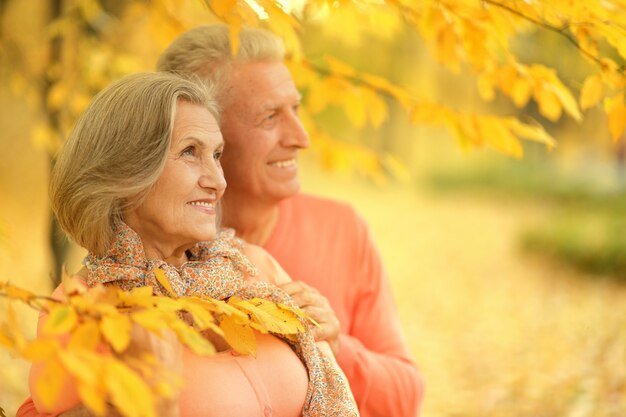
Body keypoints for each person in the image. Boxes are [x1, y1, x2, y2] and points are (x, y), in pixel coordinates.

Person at [17, 72, 358, 417]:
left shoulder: (252, 265)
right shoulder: (84, 310)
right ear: (125, 172)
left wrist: (327, 340)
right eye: (190, 152)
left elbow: (328, 382)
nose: (218, 182)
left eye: (217, 155)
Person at [156, 25, 424, 417]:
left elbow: (406, 396)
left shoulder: (342, 229)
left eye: (295, 110)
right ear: (200, 133)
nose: (301, 137)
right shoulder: (144, 250)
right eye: (270, 117)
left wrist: (333, 345)